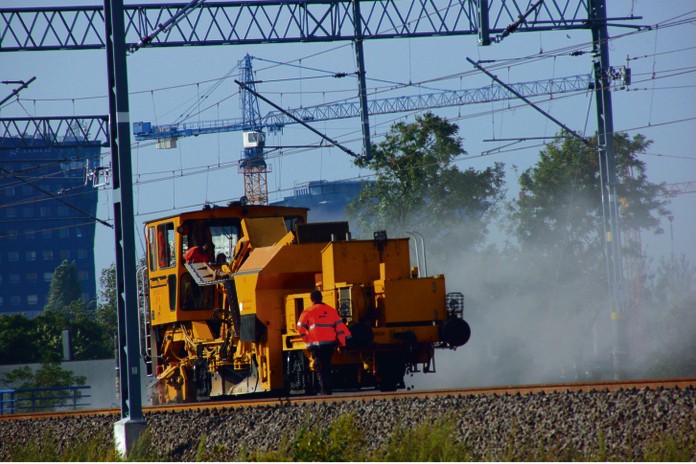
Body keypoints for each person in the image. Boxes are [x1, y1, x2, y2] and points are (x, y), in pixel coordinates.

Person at [296, 290, 351, 395]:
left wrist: (306, 339)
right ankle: (327, 390)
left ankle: (324, 390)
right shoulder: (331, 310)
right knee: (326, 366)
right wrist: (342, 344)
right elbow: (340, 329)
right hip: (329, 345)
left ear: (311, 299)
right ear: (321, 298)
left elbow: (299, 327)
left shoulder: (308, 311)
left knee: (319, 367)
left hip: (315, 345)